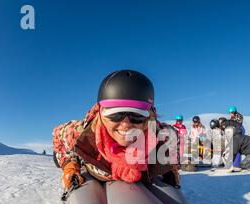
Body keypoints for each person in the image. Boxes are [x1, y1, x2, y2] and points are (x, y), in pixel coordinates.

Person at [52, 70, 180, 191]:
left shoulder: (164, 137)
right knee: (65, 156)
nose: (125, 124)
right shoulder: (81, 133)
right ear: (101, 114)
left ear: (148, 118)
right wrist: (69, 164)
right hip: (91, 158)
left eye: (137, 115)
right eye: (115, 114)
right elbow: (58, 134)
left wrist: (169, 166)